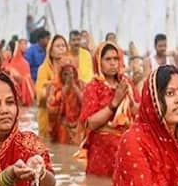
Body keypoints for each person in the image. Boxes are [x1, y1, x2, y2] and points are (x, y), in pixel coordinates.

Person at [78, 42, 139, 177]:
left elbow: (138, 113)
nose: (113, 63)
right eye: (108, 59)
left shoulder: (126, 84)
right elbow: (91, 123)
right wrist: (115, 102)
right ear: (99, 62)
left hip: (127, 150)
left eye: (116, 59)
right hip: (102, 152)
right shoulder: (93, 87)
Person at [35, 34, 68, 138]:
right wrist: (55, 87)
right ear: (51, 50)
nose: (61, 48)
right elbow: (40, 94)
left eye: (63, 46)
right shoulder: (43, 69)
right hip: (46, 117)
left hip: (66, 119)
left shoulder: (71, 70)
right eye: (58, 46)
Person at [46, 62, 84, 144]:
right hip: (62, 125)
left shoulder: (81, 85)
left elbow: (86, 102)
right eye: (65, 74)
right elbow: (53, 106)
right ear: (61, 75)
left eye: (71, 73)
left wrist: (74, 86)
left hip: (79, 124)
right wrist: (66, 87)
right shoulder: (54, 87)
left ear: (75, 74)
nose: (69, 77)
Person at [8, 38, 36, 106]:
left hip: (21, 96)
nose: (25, 46)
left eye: (26, 44)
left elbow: (28, 81)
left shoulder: (24, 63)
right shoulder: (5, 63)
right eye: (23, 44)